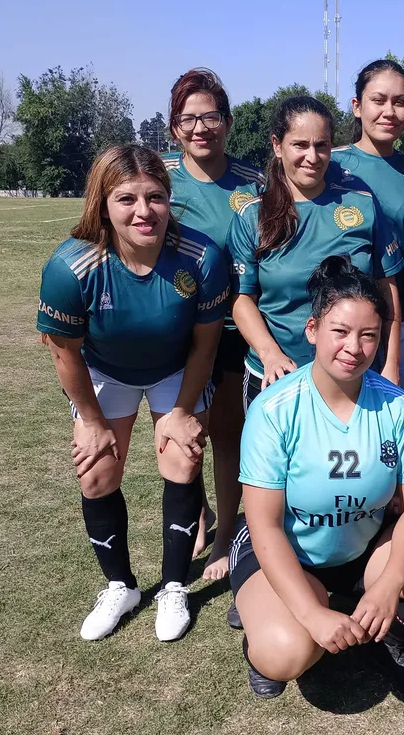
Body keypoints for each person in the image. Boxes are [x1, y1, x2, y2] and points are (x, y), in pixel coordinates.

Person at [229, 256, 404, 701]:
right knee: (285, 652)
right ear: (312, 331)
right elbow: (263, 523)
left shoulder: (397, 406)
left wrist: (389, 584)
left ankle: (395, 637)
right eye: (340, 332)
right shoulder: (274, 409)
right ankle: (265, 624)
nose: (354, 348)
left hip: (363, 549)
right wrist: (309, 613)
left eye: (369, 335)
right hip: (288, 554)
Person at [37, 145, 229, 642]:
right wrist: (92, 419)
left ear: (169, 200)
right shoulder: (69, 267)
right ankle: (120, 586)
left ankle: (172, 587)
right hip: (106, 372)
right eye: (126, 199)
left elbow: (205, 346)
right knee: (97, 473)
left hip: (175, 370)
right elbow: (65, 354)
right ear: (102, 204)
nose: (144, 211)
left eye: (156, 197)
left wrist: (183, 410)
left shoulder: (202, 257)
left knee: (182, 461)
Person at [227, 96, 404, 411]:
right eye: (300, 145)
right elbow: (242, 299)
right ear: (277, 145)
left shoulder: (361, 204)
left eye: (321, 145)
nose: (312, 156)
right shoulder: (253, 215)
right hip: (278, 375)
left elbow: (387, 291)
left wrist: (390, 364)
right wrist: (270, 354)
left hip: (355, 374)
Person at [163, 68, 265, 581]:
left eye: (211, 116)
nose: (201, 127)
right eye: (189, 118)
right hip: (173, 328)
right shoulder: (158, 178)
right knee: (183, 428)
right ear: (174, 126)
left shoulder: (255, 182)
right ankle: (197, 509)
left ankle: (226, 531)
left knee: (226, 434)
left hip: (230, 330)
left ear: (226, 121)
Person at [328, 59, 404, 404]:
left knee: (396, 421)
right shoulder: (330, 164)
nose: (390, 111)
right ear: (357, 107)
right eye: (379, 100)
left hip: (403, 322)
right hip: (341, 320)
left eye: (399, 102)